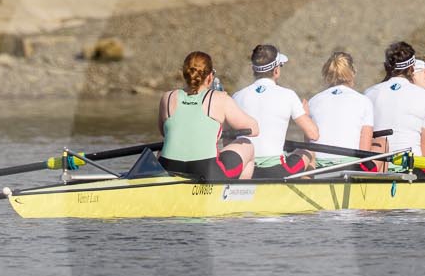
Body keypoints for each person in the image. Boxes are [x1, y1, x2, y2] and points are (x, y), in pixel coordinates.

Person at [159, 51, 257, 181]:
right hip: (206, 171)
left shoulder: (168, 97)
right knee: (247, 144)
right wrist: (225, 128)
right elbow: (254, 129)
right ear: (210, 76)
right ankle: (237, 196)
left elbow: (164, 132)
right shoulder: (220, 98)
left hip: (169, 168)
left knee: (161, 150)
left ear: (185, 74)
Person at [232, 43, 319, 173]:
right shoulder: (288, 95)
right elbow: (313, 134)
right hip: (275, 171)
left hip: (245, 170)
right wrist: (305, 115)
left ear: (253, 69)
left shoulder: (237, 96)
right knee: (309, 152)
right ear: (276, 71)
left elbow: (228, 140)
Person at [306, 50, 379, 166]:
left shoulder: (313, 101)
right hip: (349, 165)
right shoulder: (364, 101)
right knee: (380, 143)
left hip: (319, 165)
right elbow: (364, 152)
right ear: (353, 72)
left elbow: (308, 142)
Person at [365, 40, 425, 157]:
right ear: (412, 68)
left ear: (386, 66)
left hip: (380, 165)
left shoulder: (369, 93)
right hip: (411, 167)